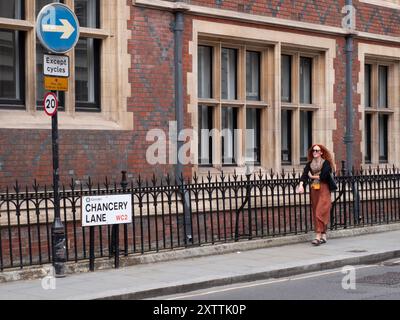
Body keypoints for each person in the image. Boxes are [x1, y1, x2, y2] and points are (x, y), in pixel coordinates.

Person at [297, 144, 336, 246]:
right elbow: (304, 175)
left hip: (324, 188)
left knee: (320, 211)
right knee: (316, 211)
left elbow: (323, 176)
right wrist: (301, 185)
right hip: (314, 188)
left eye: (317, 150)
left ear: (321, 152)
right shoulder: (309, 164)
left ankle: (318, 236)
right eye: (313, 150)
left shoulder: (326, 163)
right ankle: (323, 234)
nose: (314, 152)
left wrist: (312, 176)